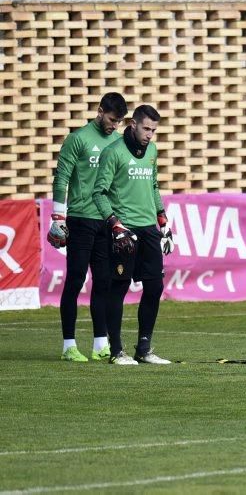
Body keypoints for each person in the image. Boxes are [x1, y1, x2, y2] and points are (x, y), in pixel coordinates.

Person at [92, 105, 174, 365]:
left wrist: (162, 218)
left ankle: (144, 349)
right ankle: (116, 351)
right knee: (119, 287)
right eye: (146, 128)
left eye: (154, 130)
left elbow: (153, 185)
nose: (150, 135)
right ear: (133, 124)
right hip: (124, 229)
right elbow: (99, 193)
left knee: (155, 286)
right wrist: (114, 223)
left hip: (149, 228)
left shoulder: (152, 150)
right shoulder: (112, 152)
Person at [49, 92, 128, 362]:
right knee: (75, 279)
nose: (114, 125)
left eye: (118, 122)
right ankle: (69, 345)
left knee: (104, 281)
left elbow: (120, 184)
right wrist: (58, 217)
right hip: (81, 219)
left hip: (107, 220)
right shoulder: (78, 139)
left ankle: (99, 344)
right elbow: (62, 179)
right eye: (111, 119)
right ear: (99, 111)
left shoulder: (119, 142)